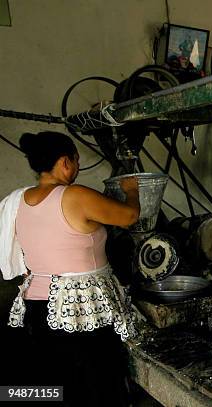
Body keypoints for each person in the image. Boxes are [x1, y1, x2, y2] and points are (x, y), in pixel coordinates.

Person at [0, 131, 140, 406]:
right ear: (65, 162)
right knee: (99, 385)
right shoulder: (74, 195)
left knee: (60, 385)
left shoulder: (18, 200)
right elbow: (129, 217)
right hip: (80, 308)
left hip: (38, 308)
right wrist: (132, 190)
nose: (76, 167)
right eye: (76, 160)